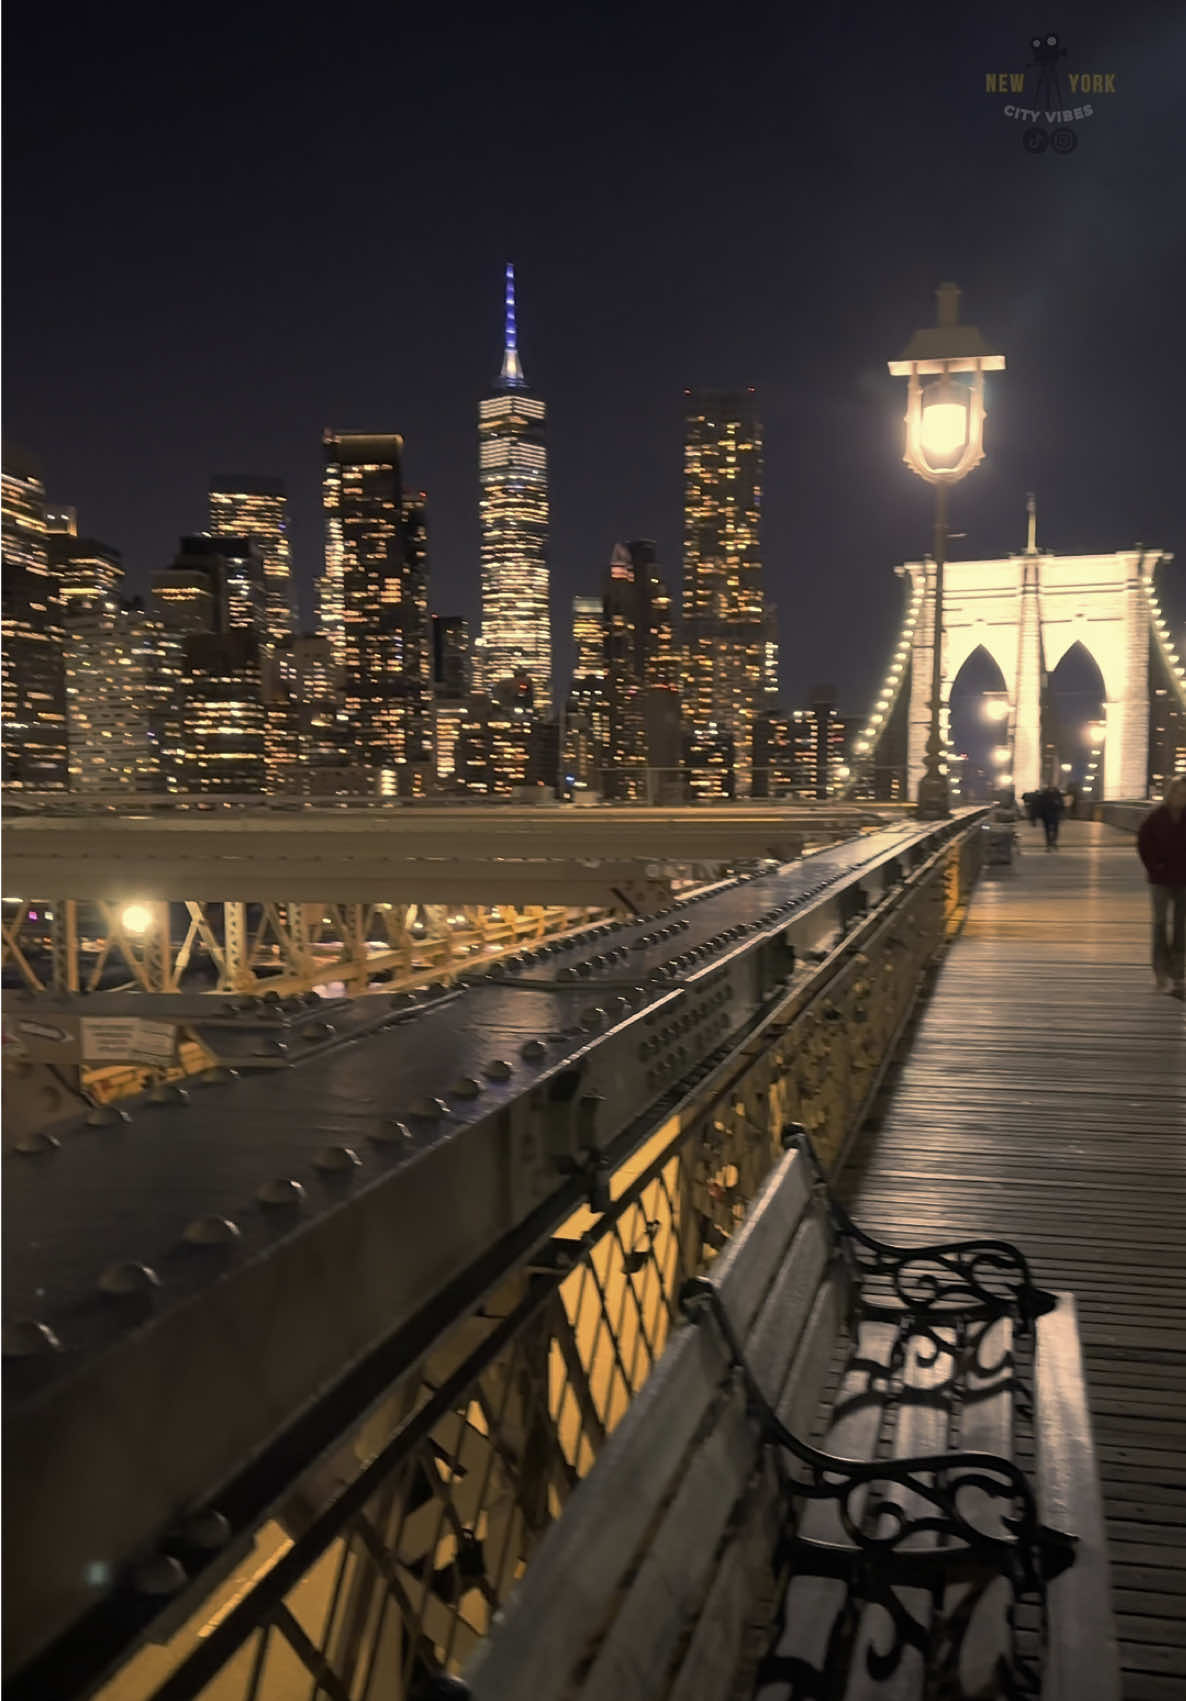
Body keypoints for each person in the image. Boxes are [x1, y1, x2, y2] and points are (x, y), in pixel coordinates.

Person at [1137, 776, 1186, 999]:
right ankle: (1159, 971)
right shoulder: (1155, 817)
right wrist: (1154, 865)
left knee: (1181, 927)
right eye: (1178, 793)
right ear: (1170, 793)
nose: (1181, 797)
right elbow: (1143, 843)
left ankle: (1177, 974)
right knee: (1159, 924)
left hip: (1183, 879)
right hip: (1160, 879)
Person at [1036, 783, 1064, 850]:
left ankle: (1050, 843)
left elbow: (1040, 804)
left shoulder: (1045, 793)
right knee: (1053, 830)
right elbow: (1061, 804)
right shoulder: (1056, 794)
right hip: (1051, 814)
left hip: (1049, 814)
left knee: (1049, 830)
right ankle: (1052, 843)